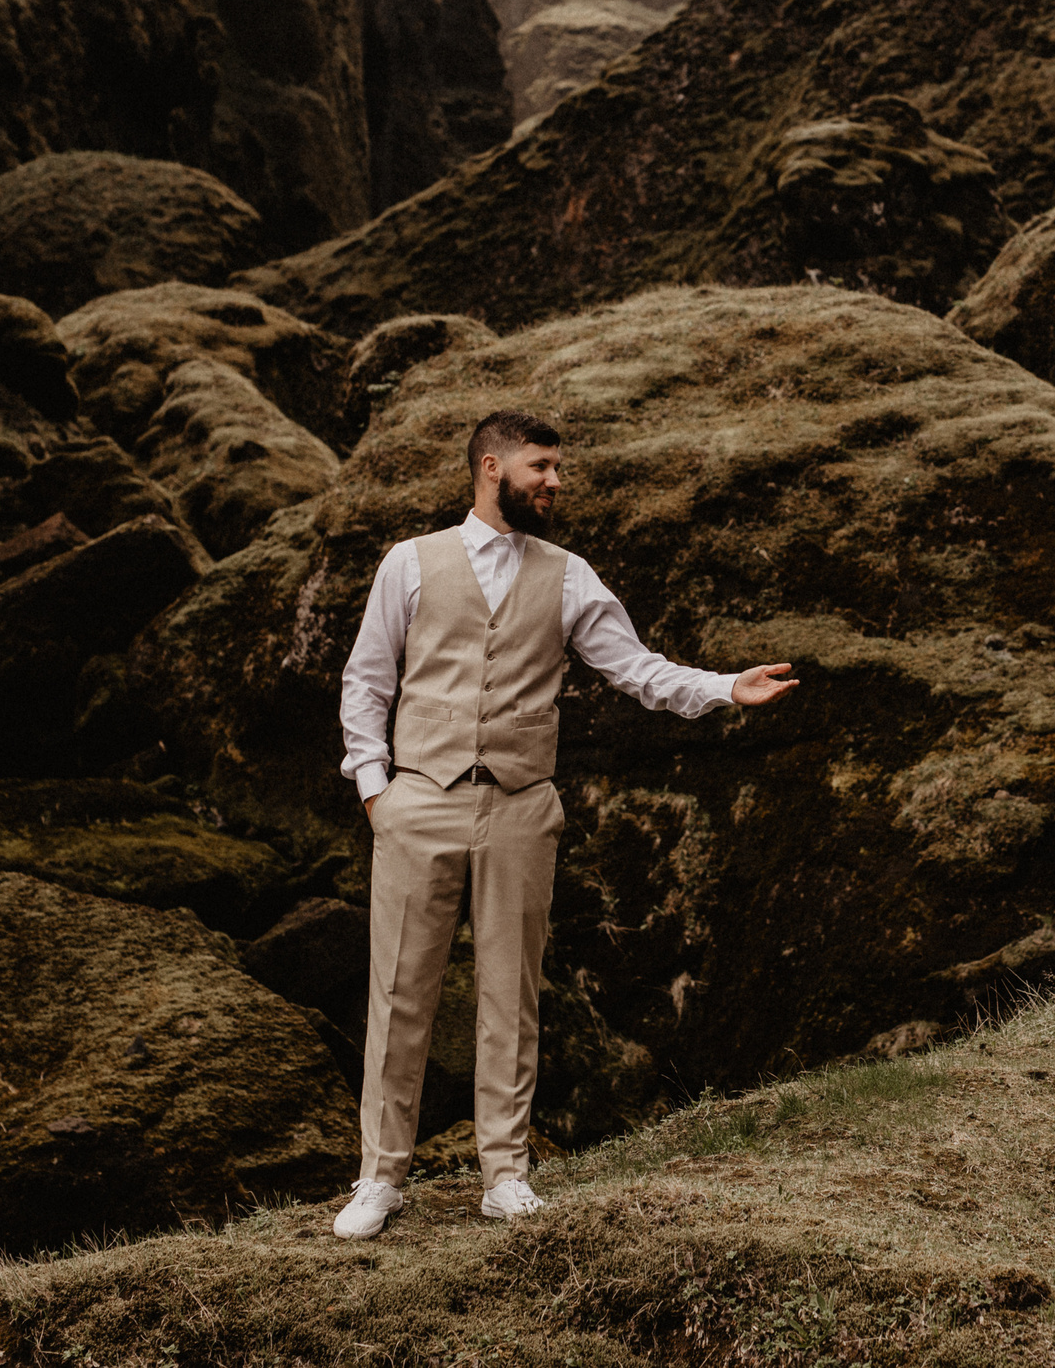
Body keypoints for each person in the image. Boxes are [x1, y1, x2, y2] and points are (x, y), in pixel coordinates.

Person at [330, 409, 798, 1240]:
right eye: (540, 466)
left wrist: (726, 686)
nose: (555, 481)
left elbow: (637, 669)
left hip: (519, 806)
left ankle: (503, 1174)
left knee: (512, 994)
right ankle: (379, 1176)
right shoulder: (409, 562)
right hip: (417, 803)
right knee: (400, 991)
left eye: (557, 468)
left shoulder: (569, 574)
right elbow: (367, 681)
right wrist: (378, 792)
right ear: (490, 466)